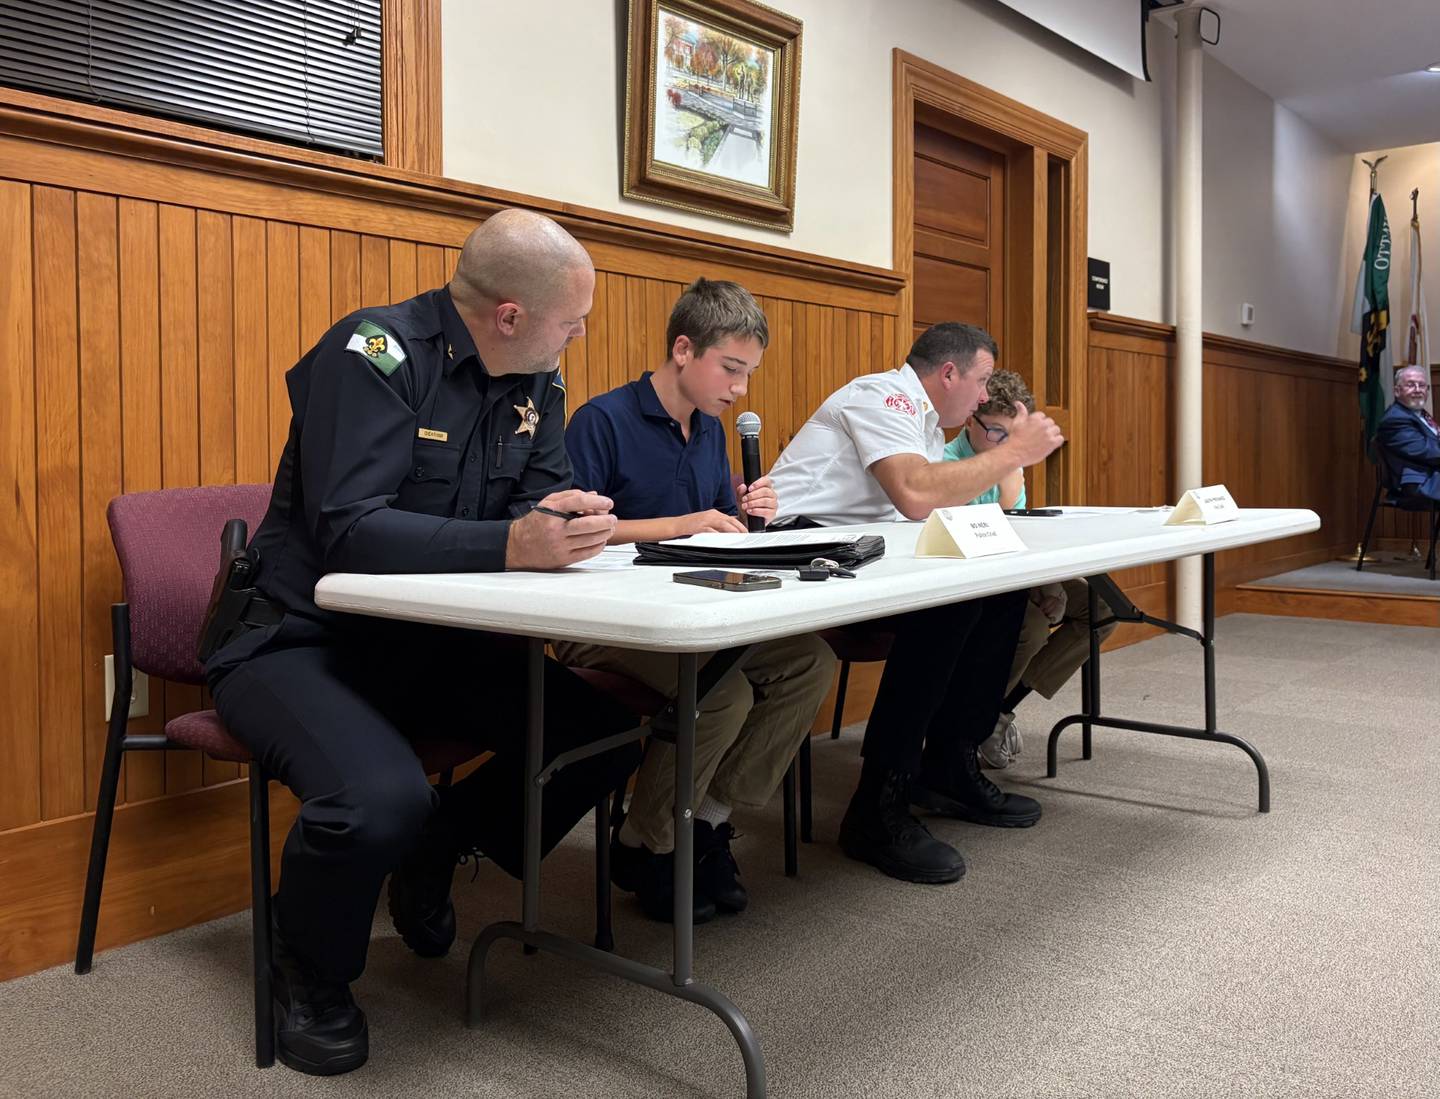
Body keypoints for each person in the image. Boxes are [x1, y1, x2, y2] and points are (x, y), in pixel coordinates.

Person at [203, 209, 642, 1077]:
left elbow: (540, 504)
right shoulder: (372, 355)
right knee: (377, 798)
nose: (581, 335)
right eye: (572, 319)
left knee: (606, 730)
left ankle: (438, 851)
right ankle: (309, 971)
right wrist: (514, 543)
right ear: (510, 314)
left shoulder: (534, 382)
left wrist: (568, 524)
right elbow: (349, 530)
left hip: (429, 644)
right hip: (295, 640)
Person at [558, 278, 835, 924]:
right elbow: (573, 532)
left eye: (748, 372)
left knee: (809, 662)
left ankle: (706, 823)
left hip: (694, 608)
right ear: (683, 349)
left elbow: (711, 526)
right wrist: (687, 522)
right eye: (730, 368)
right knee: (724, 691)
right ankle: (645, 843)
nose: (739, 388)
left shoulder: (710, 430)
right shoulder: (603, 420)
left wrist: (741, 512)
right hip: (599, 615)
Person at [768, 323, 1063, 884]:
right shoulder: (884, 395)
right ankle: (878, 804)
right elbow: (916, 495)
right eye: (979, 382)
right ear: (948, 373)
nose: (983, 397)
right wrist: (1013, 454)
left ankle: (949, 763)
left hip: (859, 557)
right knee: (947, 605)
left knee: (997, 591)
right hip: (799, 554)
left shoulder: (928, 426)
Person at [941, 369, 1115, 769]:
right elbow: (977, 539)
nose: (1007, 444)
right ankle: (970, 724)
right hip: (970, 579)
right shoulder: (947, 463)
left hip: (1013, 570)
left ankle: (999, 710)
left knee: (1101, 608)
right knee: (1032, 626)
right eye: (998, 433)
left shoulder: (1009, 460)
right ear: (971, 419)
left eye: (1015, 437)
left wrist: (1046, 582)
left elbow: (1018, 531)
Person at [1377, 365, 1440, 502]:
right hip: (1419, 482)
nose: (1417, 390)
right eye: (1411, 385)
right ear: (1397, 391)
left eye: (1422, 385)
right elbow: (1427, 451)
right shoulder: (1395, 419)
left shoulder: (1420, 415)